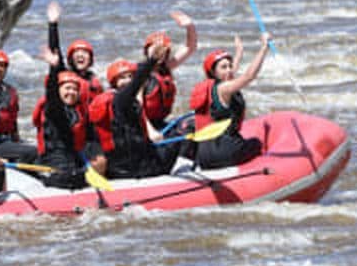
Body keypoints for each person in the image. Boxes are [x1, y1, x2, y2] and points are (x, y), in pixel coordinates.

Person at [88, 43, 182, 179]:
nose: (126, 81)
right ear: (114, 83)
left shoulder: (119, 100)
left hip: (121, 165)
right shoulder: (120, 100)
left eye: (129, 77)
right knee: (176, 138)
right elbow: (136, 83)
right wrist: (151, 61)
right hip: (135, 169)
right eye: (122, 78)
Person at [188, 33, 271, 170]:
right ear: (214, 73)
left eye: (230, 66)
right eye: (224, 67)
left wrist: (239, 51)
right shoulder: (224, 88)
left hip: (204, 155)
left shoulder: (213, 87)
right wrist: (264, 47)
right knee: (256, 143)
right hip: (225, 152)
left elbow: (232, 73)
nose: (229, 70)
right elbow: (249, 76)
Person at [32, 47, 90, 189]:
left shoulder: (76, 111)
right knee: (73, 179)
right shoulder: (53, 110)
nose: (71, 92)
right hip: (53, 161)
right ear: (59, 91)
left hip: (70, 159)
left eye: (75, 89)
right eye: (67, 88)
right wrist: (53, 67)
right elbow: (52, 94)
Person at [142, 11, 198, 131]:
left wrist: (190, 26)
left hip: (160, 122)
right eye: (155, 50)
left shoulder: (166, 67)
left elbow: (190, 47)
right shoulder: (140, 75)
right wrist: (151, 132)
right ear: (146, 52)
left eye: (163, 50)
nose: (159, 53)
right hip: (143, 125)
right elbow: (138, 107)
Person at [46, 1, 103, 105]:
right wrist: (53, 25)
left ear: (90, 60)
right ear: (70, 59)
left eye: (85, 53)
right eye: (76, 53)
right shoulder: (63, 74)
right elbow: (55, 51)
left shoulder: (95, 82)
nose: (80, 55)